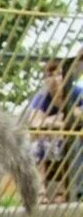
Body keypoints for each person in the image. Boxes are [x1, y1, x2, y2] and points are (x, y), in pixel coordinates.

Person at [26, 54, 83, 203]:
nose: (54, 79)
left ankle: (66, 193)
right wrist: (62, 119)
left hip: (75, 141)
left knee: (73, 143)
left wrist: (52, 120)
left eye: (58, 74)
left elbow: (79, 116)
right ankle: (40, 194)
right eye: (49, 75)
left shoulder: (76, 92)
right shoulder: (42, 97)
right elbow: (34, 123)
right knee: (35, 146)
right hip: (51, 141)